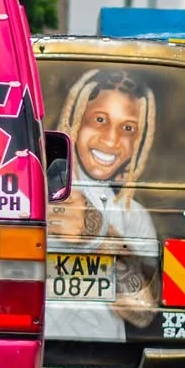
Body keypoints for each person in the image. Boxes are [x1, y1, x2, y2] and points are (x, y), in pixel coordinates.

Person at [46, 68, 160, 341]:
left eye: (128, 128)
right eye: (99, 119)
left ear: (139, 140)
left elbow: (143, 313)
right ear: (76, 119)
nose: (111, 139)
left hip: (105, 352)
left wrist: (97, 234)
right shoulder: (33, 191)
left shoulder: (135, 215)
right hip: (29, 354)